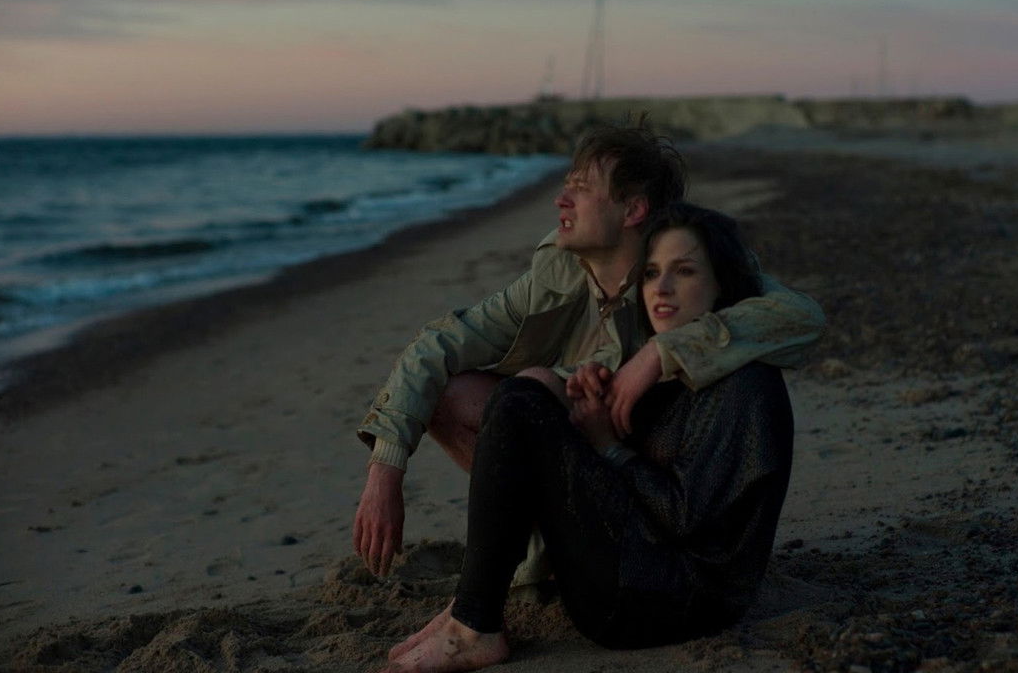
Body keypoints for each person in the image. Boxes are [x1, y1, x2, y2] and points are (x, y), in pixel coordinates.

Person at [352, 118, 824, 581]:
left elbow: (800, 316)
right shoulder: (557, 274)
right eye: (566, 186)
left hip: (669, 488)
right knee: (460, 394)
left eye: (580, 188)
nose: (561, 199)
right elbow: (439, 343)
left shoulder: (689, 267)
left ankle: (615, 558)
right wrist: (386, 469)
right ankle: (545, 553)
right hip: (589, 461)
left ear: (632, 210)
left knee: (537, 386)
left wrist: (662, 353)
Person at [383, 202, 796, 672]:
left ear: (723, 283)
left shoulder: (745, 383)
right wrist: (591, 409)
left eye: (684, 271)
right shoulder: (672, 367)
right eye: (651, 273)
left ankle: (474, 624)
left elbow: (686, 519)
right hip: (643, 574)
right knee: (528, 399)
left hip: (674, 603)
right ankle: (472, 608)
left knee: (520, 402)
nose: (661, 288)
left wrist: (606, 446)